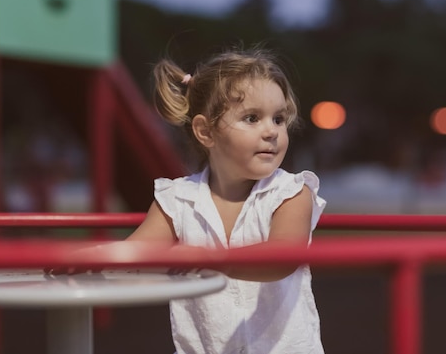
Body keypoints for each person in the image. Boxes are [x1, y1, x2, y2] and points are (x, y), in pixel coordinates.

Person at [126, 47, 327, 354]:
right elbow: (133, 252)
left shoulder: (291, 193)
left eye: (278, 119)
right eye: (252, 118)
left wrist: (203, 259)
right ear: (206, 131)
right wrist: (75, 259)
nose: (271, 131)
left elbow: (283, 257)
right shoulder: (179, 199)